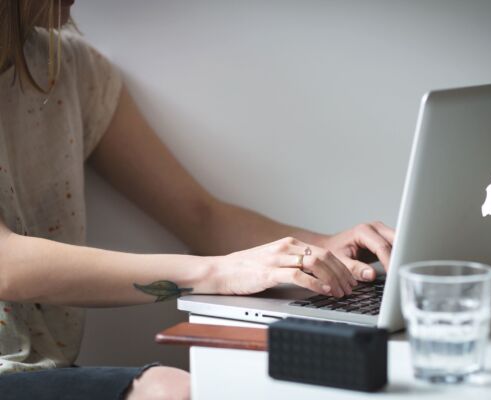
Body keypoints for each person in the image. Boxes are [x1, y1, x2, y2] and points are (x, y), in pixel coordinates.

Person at [0, 1, 395, 399]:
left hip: (39, 373)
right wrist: (217, 273)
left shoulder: (73, 69)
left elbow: (201, 216)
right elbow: (6, 263)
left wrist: (320, 250)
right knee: (172, 391)